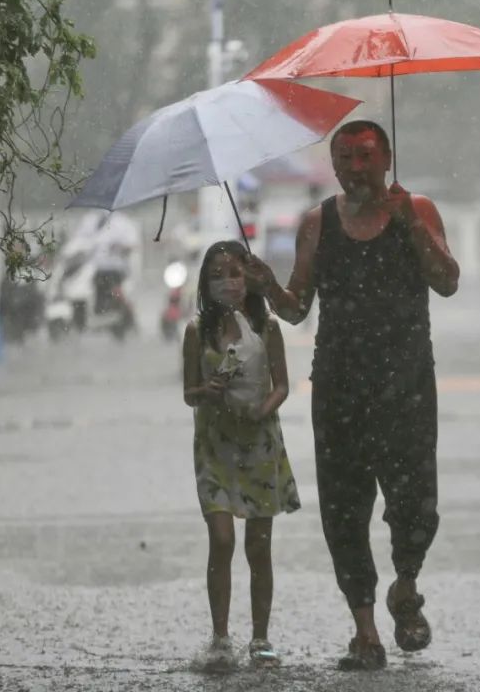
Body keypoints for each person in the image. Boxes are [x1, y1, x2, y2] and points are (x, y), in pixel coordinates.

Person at [243, 120, 460, 671]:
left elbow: (447, 279)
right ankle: (365, 631)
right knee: (344, 510)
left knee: (415, 501)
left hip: (407, 384)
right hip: (338, 387)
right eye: (346, 158)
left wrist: (409, 219)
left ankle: (405, 585)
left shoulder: (419, 209)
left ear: (386, 158)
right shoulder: (317, 223)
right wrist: (267, 285)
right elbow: (297, 308)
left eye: (366, 156)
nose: (357, 168)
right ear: (334, 166)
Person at [182, 240, 301, 671]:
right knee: (222, 539)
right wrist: (206, 391)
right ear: (204, 283)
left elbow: (283, 384)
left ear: (248, 278)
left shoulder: (267, 328)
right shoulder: (197, 331)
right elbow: (188, 393)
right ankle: (219, 637)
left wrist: (262, 410)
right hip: (215, 447)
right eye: (216, 274)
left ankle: (261, 637)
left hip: (260, 445)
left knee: (259, 546)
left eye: (234, 273)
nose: (226, 282)